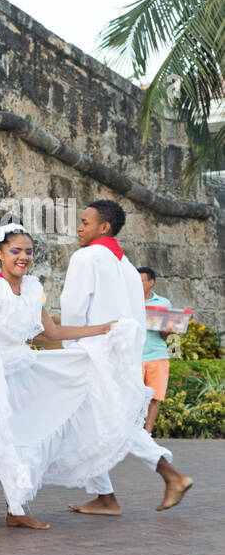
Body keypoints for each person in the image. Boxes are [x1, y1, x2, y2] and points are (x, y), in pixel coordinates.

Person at [0, 221, 150, 541]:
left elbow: (51, 333)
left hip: (20, 370)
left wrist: (101, 329)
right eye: (15, 251)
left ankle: (16, 511)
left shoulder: (33, 288)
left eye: (28, 252)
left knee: (22, 438)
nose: (23, 257)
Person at [61, 200, 193, 515]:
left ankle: (170, 475)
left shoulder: (86, 257)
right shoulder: (128, 267)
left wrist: (70, 349)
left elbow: (74, 306)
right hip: (121, 356)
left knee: (111, 423)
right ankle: (105, 496)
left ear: (103, 227)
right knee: (89, 423)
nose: (79, 228)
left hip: (91, 352)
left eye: (84, 222)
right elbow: (138, 317)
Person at [137, 266, 171, 433]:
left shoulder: (163, 303)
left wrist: (168, 329)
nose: (137, 283)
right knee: (133, 398)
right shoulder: (129, 302)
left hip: (157, 355)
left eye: (141, 280)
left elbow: (165, 335)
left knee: (154, 399)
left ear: (151, 282)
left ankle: (146, 435)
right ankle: (130, 434)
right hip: (134, 357)